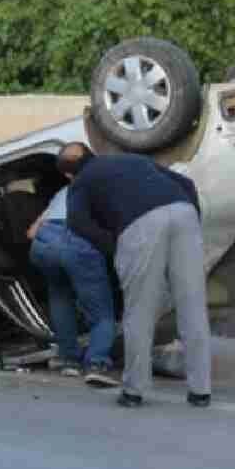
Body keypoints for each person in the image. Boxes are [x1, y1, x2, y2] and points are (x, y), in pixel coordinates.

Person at [57, 142, 211, 408]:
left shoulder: (81, 182)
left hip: (139, 227)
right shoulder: (130, 159)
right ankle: (200, 391)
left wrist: (115, 245)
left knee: (140, 311)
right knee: (193, 306)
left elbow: (77, 222)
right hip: (183, 212)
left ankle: (134, 391)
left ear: (68, 175)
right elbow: (186, 183)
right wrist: (191, 216)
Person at [26, 173, 119, 388]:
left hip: (43, 243)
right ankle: (96, 364)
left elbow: (31, 232)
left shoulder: (62, 193)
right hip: (76, 241)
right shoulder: (105, 190)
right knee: (101, 310)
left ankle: (69, 360)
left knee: (60, 296)